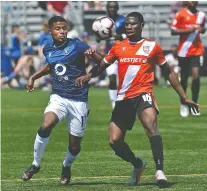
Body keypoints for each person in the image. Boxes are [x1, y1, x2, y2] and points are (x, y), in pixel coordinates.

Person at [75, 12, 200, 187]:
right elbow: (102, 66)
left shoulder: (152, 46)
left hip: (144, 93)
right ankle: (138, 164)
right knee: (115, 141)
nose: (129, 26)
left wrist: (184, 97)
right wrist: (88, 75)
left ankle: (160, 172)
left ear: (141, 25)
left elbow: (168, 72)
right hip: (124, 98)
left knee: (151, 126)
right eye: (127, 24)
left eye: (133, 24)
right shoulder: (118, 47)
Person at [21, 16, 91, 185]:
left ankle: (66, 166)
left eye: (64, 28)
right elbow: (51, 67)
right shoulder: (48, 49)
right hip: (59, 96)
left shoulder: (78, 45)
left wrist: (89, 75)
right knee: (46, 124)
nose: (62, 31)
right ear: (50, 31)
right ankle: (35, 165)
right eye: (58, 29)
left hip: (79, 100)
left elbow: (102, 62)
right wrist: (33, 76)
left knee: (74, 147)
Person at [171, 1, 205, 117]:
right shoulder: (180, 14)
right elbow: (173, 31)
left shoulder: (201, 15)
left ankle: (195, 105)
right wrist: (188, 30)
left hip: (197, 50)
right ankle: (184, 103)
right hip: (183, 51)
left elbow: (203, 29)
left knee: (196, 76)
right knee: (184, 78)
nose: (193, 1)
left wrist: (202, 30)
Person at [103, 1, 126, 108]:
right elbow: (99, 37)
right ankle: (113, 103)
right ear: (107, 8)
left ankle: (125, 101)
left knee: (124, 80)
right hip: (110, 53)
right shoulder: (103, 21)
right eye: (110, 7)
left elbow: (131, 34)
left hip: (123, 52)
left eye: (114, 7)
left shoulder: (123, 20)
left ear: (117, 8)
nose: (112, 9)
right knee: (112, 79)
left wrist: (121, 36)